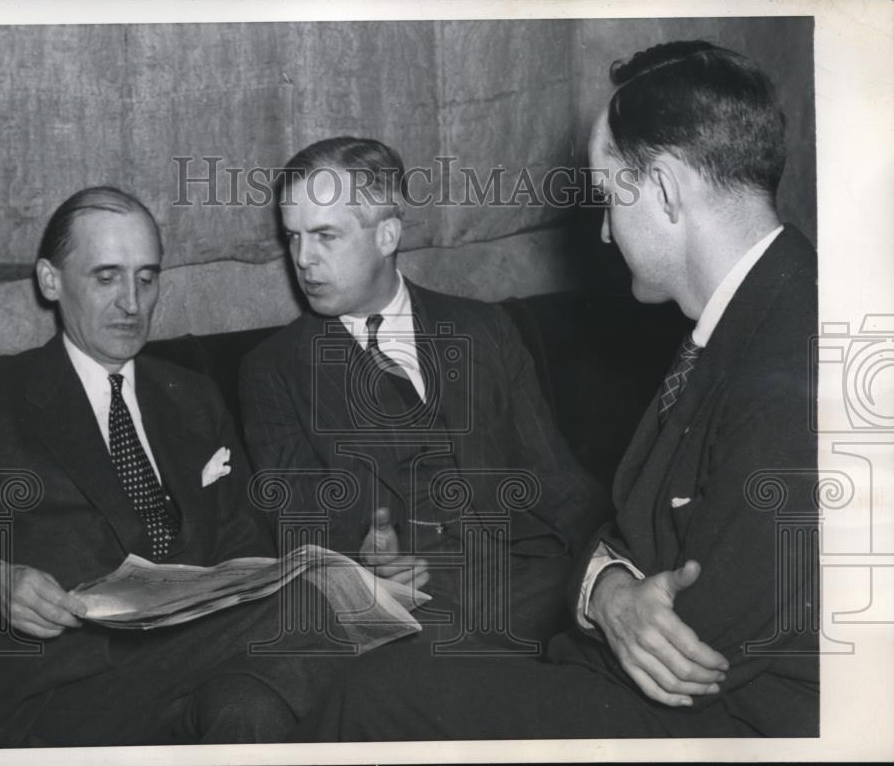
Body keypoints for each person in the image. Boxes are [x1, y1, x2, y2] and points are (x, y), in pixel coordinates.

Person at [304, 40, 819, 738]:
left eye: (608, 198)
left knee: (377, 696)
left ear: (664, 191)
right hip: (657, 676)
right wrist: (605, 590)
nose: (604, 232)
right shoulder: (757, 312)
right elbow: (626, 525)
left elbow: (693, 651)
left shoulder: (795, 350)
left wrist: (597, 600)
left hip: (744, 721)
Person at [0, 187, 340, 746]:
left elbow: (246, 544)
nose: (132, 303)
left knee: (250, 705)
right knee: (317, 602)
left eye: (146, 278)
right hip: (65, 687)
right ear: (51, 280)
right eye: (106, 277)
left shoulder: (191, 395)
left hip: (202, 660)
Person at [239, 137, 609, 652]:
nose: (303, 258)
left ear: (387, 235)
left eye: (325, 235)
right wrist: (363, 555)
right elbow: (301, 524)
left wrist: (623, 567)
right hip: (409, 605)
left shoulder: (485, 329)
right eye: (292, 237)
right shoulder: (273, 370)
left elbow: (558, 479)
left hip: (532, 576)